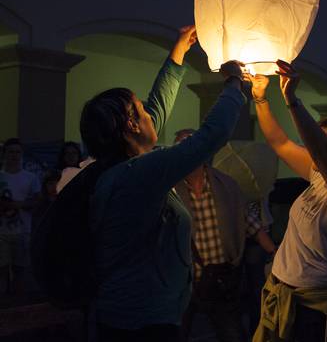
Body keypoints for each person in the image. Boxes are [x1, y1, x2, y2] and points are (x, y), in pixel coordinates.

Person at [83, 26, 246, 342]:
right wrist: (234, 83)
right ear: (131, 125)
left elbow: (156, 110)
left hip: (130, 314)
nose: (149, 112)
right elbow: (212, 135)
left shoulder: (119, 167)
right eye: (140, 109)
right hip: (140, 324)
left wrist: (179, 52)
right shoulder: (139, 173)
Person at [247, 61, 327, 342]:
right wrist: (260, 97)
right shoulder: (318, 175)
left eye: (321, 141)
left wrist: (292, 99)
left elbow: (322, 153)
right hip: (283, 294)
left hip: (318, 309)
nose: (311, 147)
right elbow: (279, 142)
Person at [173, 129, 277, 342]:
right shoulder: (171, 190)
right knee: (177, 333)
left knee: (232, 333)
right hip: (184, 281)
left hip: (221, 278)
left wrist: (275, 252)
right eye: (182, 147)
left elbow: (248, 220)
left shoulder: (225, 184)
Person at [0, 138, 41, 297]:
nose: (14, 155)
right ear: (4, 154)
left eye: (17, 152)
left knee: (20, 270)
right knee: (1, 271)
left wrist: (18, 205)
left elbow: (37, 201)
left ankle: (18, 307)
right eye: (11, 152)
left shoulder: (30, 177)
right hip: (1, 232)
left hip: (23, 231)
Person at [32, 169, 61, 234]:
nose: (55, 187)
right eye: (51, 184)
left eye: (58, 183)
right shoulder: (40, 206)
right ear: (45, 185)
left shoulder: (69, 204)